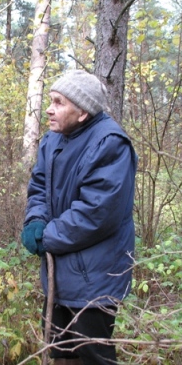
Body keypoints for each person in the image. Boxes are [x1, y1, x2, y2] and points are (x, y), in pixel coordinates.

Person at [21, 70, 137, 365]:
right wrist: (35, 220)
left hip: (94, 279)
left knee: (91, 357)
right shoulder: (53, 140)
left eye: (58, 102)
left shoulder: (110, 143)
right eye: (50, 100)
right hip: (60, 273)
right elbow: (38, 187)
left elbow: (97, 213)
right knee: (61, 355)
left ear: (82, 111)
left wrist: (47, 237)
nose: (49, 108)